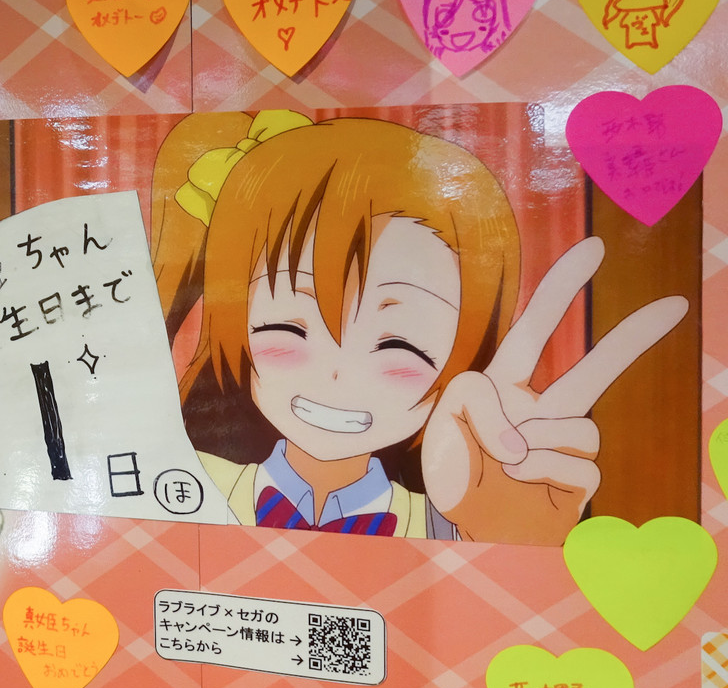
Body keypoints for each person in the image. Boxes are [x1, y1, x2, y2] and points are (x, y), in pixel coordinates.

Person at [151, 111, 686, 545]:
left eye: (398, 344)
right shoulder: (184, 486)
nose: (339, 376)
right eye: (290, 330)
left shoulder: (451, 527)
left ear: (464, 357)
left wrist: (513, 540)